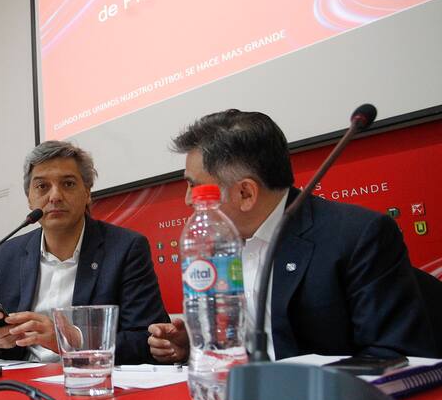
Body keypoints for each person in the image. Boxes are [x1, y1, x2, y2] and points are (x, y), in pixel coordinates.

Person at [148, 109, 436, 362]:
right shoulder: (215, 245)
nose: (187, 200)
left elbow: (395, 355)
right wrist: (203, 344)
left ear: (245, 193)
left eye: (194, 186)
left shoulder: (357, 236)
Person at [0, 141, 169, 364]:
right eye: (42, 186)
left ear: (87, 193)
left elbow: (147, 339)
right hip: (21, 383)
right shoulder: (9, 253)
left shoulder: (125, 248)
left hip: (89, 381)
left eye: (68, 184)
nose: (55, 196)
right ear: (29, 198)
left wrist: (74, 340)